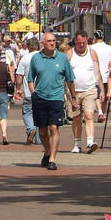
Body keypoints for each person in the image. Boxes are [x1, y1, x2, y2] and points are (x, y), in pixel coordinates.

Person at [27, 32, 74, 170]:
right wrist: (33, 93)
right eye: (49, 41)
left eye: (54, 41)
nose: (52, 43)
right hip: (40, 98)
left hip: (56, 98)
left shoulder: (62, 58)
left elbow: (70, 79)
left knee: (54, 127)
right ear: (43, 43)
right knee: (42, 131)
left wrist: (73, 98)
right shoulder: (36, 58)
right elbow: (30, 78)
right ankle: (47, 151)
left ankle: (52, 159)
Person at [67, 32, 102, 153]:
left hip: (89, 90)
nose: (81, 45)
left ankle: (90, 142)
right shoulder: (70, 54)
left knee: (89, 115)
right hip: (74, 92)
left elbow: (97, 73)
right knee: (76, 118)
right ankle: (77, 143)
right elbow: (65, 74)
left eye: (84, 43)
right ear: (75, 42)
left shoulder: (92, 53)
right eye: (79, 43)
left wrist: (101, 89)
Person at [15, 36, 38, 143]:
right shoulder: (42, 57)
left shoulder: (25, 58)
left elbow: (19, 76)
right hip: (42, 92)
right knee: (39, 115)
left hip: (29, 92)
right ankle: (39, 139)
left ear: (29, 47)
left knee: (27, 112)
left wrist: (18, 89)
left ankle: (30, 128)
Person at [90, 30, 111, 123]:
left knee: (97, 95)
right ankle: (103, 113)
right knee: (104, 97)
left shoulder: (92, 48)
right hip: (106, 75)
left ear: (95, 37)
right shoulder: (108, 48)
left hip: (95, 75)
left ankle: (100, 112)